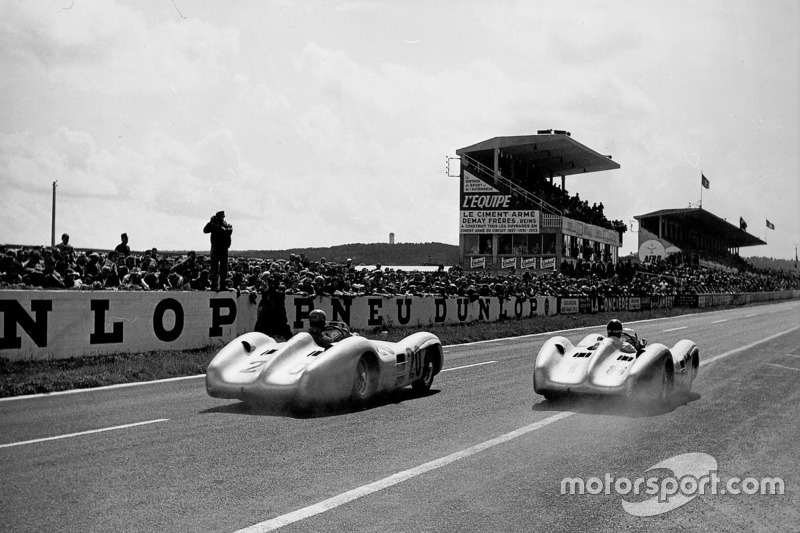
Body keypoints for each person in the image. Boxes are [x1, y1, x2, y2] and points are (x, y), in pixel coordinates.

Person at [203, 210, 233, 291]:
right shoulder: (213, 224)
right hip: (215, 248)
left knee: (223, 269)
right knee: (214, 268)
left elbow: (228, 231)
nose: (222, 218)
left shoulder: (226, 225)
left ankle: (222, 285)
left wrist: (220, 227)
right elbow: (205, 230)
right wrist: (210, 223)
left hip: (223, 248)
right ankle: (214, 285)